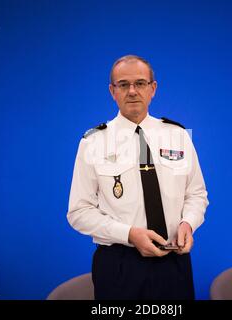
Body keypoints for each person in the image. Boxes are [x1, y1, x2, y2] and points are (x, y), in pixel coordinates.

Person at [67, 55, 209, 300]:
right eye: (123, 84)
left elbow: (196, 194)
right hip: (120, 265)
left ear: (153, 89)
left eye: (140, 83)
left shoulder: (178, 135)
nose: (132, 91)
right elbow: (78, 212)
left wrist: (188, 223)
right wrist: (129, 234)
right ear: (112, 91)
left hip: (174, 261)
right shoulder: (93, 142)